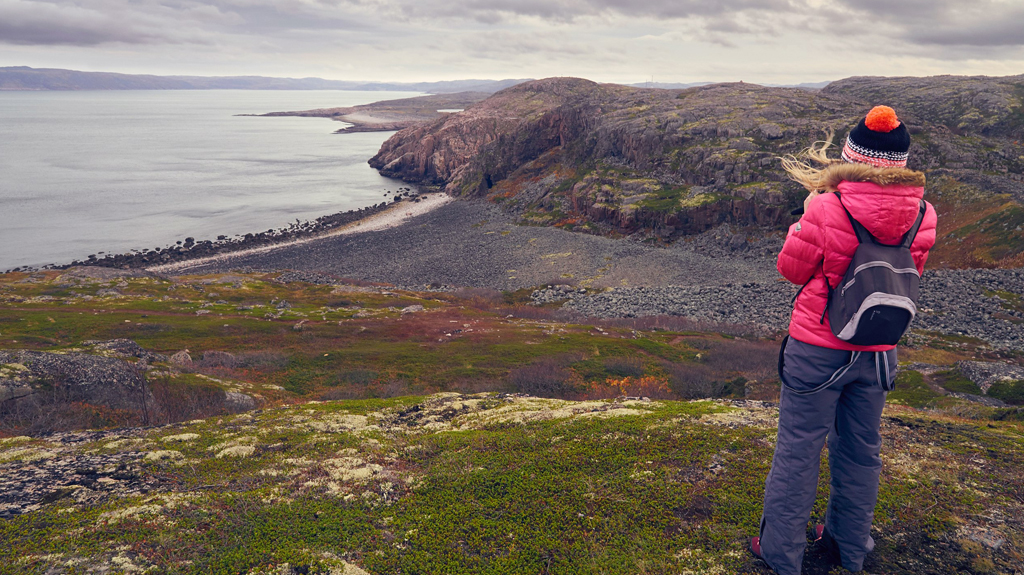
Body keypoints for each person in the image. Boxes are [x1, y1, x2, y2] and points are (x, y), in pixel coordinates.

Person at [751, 105, 937, 574]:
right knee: (860, 451)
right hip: (877, 350)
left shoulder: (828, 205)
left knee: (798, 449)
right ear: (900, 164)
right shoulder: (922, 211)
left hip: (817, 347)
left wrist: (803, 224)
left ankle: (781, 556)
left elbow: (790, 270)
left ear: (851, 156)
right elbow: (907, 272)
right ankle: (849, 550)